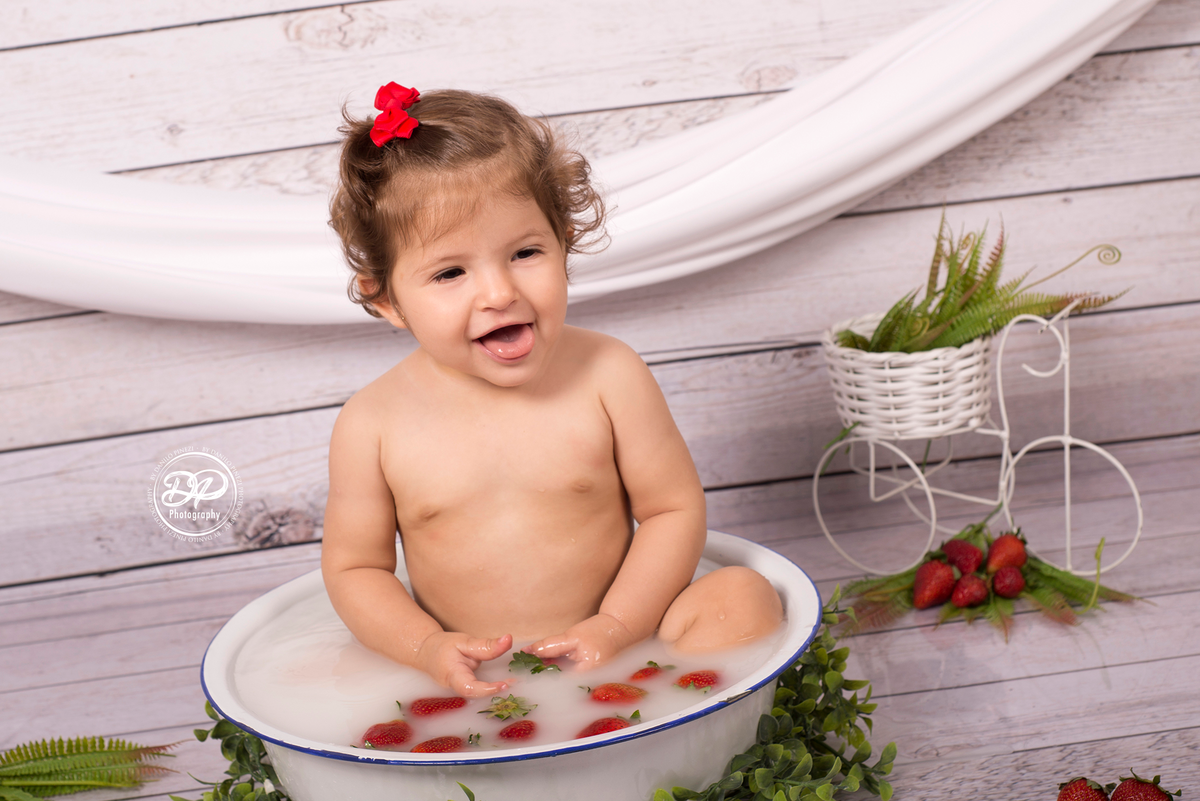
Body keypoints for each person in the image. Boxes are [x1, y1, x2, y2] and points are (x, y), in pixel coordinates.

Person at [322, 82, 782, 699]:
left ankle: (672, 719)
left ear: (563, 241)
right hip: (476, 677)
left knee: (743, 596)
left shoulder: (609, 374)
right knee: (338, 672)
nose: (499, 293)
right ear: (387, 299)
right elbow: (357, 569)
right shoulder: (372, 423)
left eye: (524, 252)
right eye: (450, 272)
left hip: (626, 650)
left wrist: (619, 627)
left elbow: (672, 510)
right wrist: (425, 647)